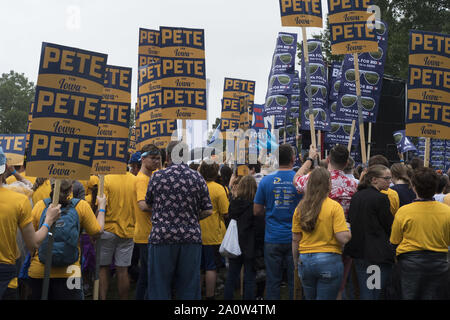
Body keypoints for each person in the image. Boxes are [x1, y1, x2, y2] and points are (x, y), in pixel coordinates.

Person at [145, 141, 213, 300]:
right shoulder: (197, 177)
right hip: (190, 237)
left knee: (159, 286)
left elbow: (148, 202)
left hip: (162, 237)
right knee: (189, 287)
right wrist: (192, 217)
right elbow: (208, 209)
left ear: (167, 156)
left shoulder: (157, 176)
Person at [27, 179, 106, 300]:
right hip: (71, 271)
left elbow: (30, 240)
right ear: (71, 190)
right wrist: (101, 208)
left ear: (52, 187)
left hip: (39, 271)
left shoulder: (40, 206)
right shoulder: (81, 206)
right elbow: (97, 231)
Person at [0, 148, 61, 300]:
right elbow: (33, 244)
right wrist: (48, 220)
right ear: (5, 167)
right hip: (5, 274)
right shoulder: (19, 199)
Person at [390, 167, 450, 299]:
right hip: (439, 264)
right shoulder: (447, 211)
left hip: (409, 265)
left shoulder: (404, 211)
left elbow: (394, 240)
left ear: (413, 187)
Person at [292, 167, 351, 300]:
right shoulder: (334, 207)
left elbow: (295, 239)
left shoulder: (300, 208)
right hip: (329, 259)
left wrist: (296, 262)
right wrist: (348, 230)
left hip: (305, 260)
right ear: (328, 184)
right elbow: (342, 238)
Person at [254, 144, 303, 300]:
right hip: (294, 237)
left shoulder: (266, 181)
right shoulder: (299, 180)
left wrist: (270, 210)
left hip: (272, 237)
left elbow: (256, 210)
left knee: (273, 281)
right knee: (294, 280)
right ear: (293, 159)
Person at [344, 165, 395, 300]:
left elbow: (351, 220)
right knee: (373, 291)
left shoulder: (356, 196)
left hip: (359, 251)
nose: (390, 181)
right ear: (374, 180)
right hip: (376, 254)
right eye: (386, 178)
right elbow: (389, 226)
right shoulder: (381, 198)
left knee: (366, 288)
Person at [99, 171, 136, 300]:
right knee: (123, 270)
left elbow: (101, 206)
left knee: (103, 268)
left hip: (107, 230)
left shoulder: (106, 180)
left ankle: (102, 298)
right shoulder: (135, 180)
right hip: (128, 231)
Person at [198, 161, 229, 299]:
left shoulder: (196, 186)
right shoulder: (218, 189)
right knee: (211, 266)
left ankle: (196, 294)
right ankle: (210, 295)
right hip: (213, 233)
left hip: (196, 233)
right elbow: (226, 211)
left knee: (198, 267)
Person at [133, 144, 161, 300]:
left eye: (158, 158)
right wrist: (165, 206)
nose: (156, 162)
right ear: (143, 159)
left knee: (147, 275)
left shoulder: (153, 176)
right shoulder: (142, 180)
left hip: (150, 234)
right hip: (146, 235)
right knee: (149, 276)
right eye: (153, 158)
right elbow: (143, 205)